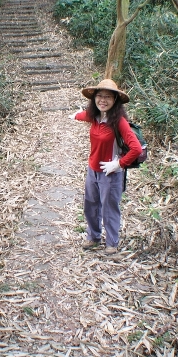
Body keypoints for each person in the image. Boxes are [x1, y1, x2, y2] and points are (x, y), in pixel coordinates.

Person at [70, 79, 142, 255]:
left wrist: (118, 164)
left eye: (108, 97)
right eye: (100, 96)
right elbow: (84, 115)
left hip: (110, 173)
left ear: (115, 100)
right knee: (90, 204)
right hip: (92, 169)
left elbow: (136, 149)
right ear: (94, 98)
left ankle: (112, 243)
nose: (103, 100)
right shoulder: (95, 116)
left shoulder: (119, 122)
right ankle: (93, 237)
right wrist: (75, 115)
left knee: (109, 207)